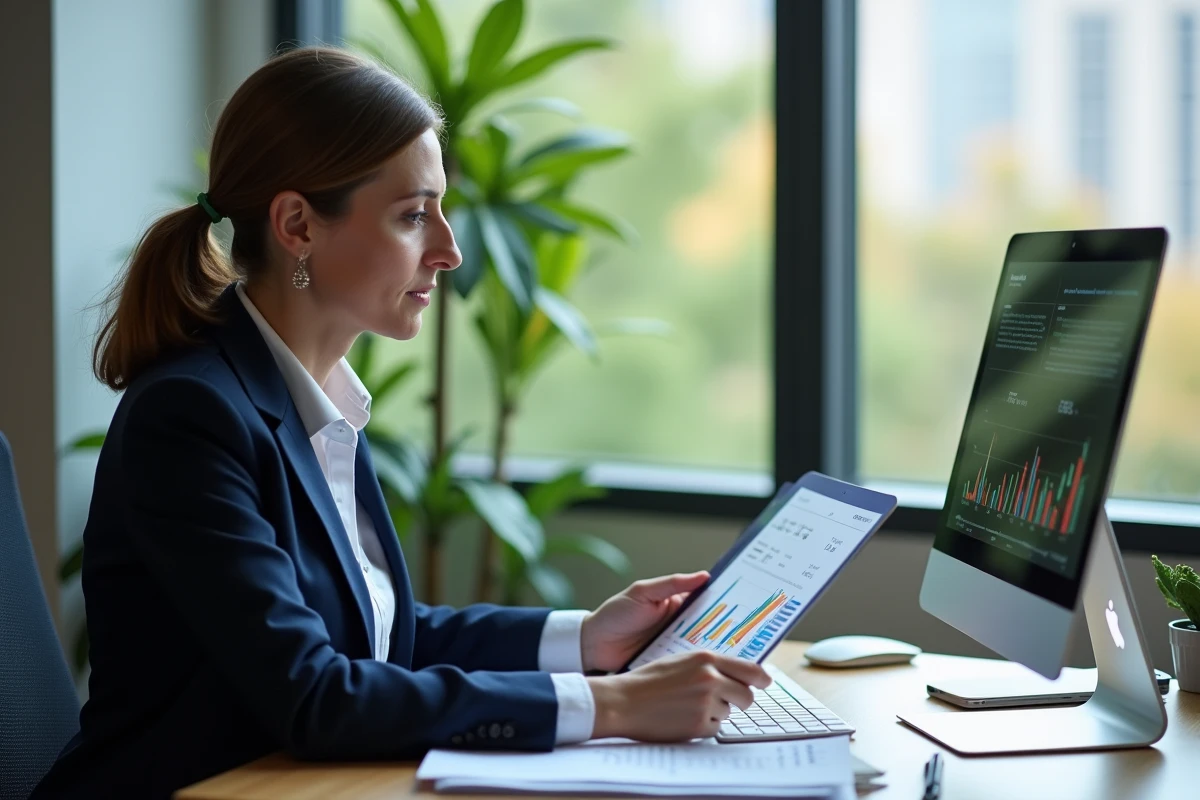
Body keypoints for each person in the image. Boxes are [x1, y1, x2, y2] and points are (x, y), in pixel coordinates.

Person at [31, 47, 769, 799]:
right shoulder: (190, 418)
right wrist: (612, 705)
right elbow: (315, 694)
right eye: (414, 216)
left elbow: (381, 635)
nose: (449, 250)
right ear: (298, 226)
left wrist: (585, 640)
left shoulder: (318, 401)